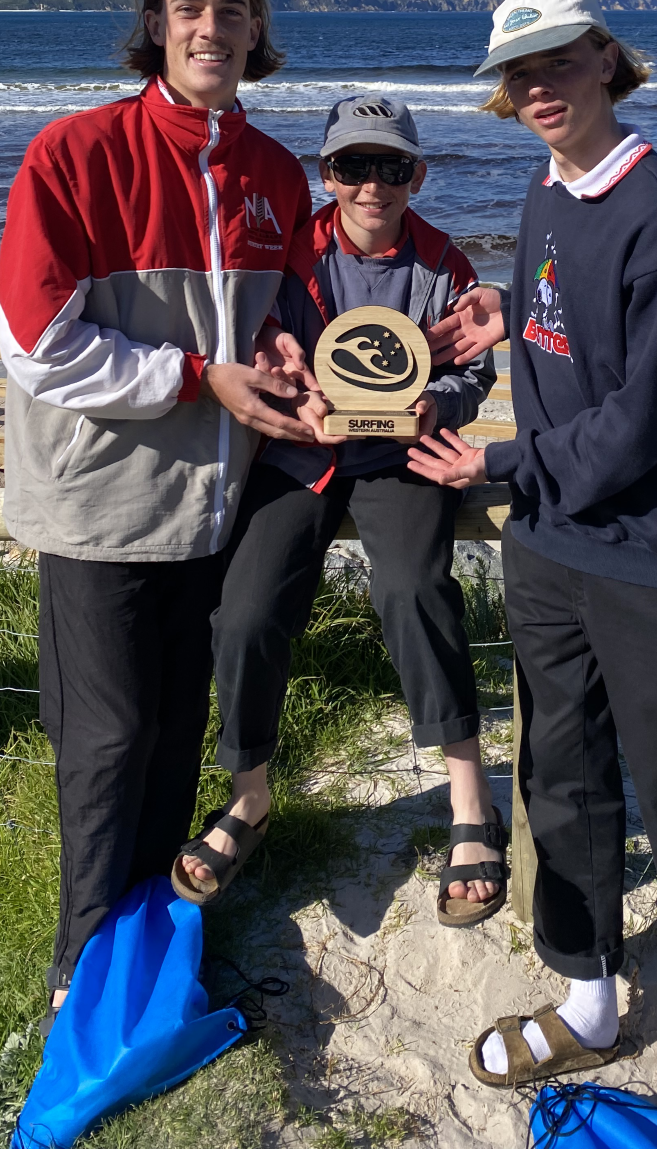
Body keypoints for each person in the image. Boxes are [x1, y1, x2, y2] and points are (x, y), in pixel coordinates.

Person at [411, 0, 657, 1110]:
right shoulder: (549, 194)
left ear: (608, 61)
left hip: (648, 544)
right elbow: (565, 297)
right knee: (560, 775)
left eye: (558, 63)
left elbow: (645, 421)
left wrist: (500, 465)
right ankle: (587, 991)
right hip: (552, 545)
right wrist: (505, 308)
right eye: (517, 74)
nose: (536, 89)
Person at [0, 0, 323, 1034]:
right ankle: (80, 983)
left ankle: (147, 942)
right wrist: (199, 377)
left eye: (234, 10)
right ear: (153, 23)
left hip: (210, 507)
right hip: (100, 503)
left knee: (176, 730)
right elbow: (39, 343)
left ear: (258, 31)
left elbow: (268, 324)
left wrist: (276, 357)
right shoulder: (75, 153)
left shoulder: (276, 173)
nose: (211, 28)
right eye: (190, 7)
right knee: (107, 743)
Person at [172, 95, 510, 926]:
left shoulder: (445, 265)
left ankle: (471, 801)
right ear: (326, 174)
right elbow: (263, 350)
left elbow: (475, 370)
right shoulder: (292, 254)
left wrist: (437, 404)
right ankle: (249, 796)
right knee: (245, 612)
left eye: (391, 167)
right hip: (303, 456)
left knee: (415, 592)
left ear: (416, 175)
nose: (370, 186)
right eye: (352, 166)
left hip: (402, 457)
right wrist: (298, 399)